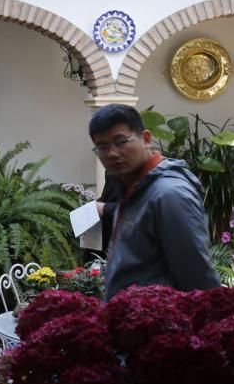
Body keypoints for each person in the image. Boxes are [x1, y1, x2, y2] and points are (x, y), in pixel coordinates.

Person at [89, 104, 219, 300]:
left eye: (121, 142)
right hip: (134, 321)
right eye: (102, 147)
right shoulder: (132, 187)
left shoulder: (169, 195)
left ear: (146, 139)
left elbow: (197, 278)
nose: (112, 153)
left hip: (162, 324)